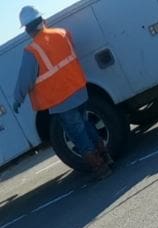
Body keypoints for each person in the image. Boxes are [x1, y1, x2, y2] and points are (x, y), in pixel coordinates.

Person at [11, 5, 111, 179]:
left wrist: (17, 99)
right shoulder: (61, 33)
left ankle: (100, 168)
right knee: (85, 125)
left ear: (27, 30)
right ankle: (106, 157)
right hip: (79, 91)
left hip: (61, 101)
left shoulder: (32, 51)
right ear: (43, 21)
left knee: (78, 134)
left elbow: (24, 80)